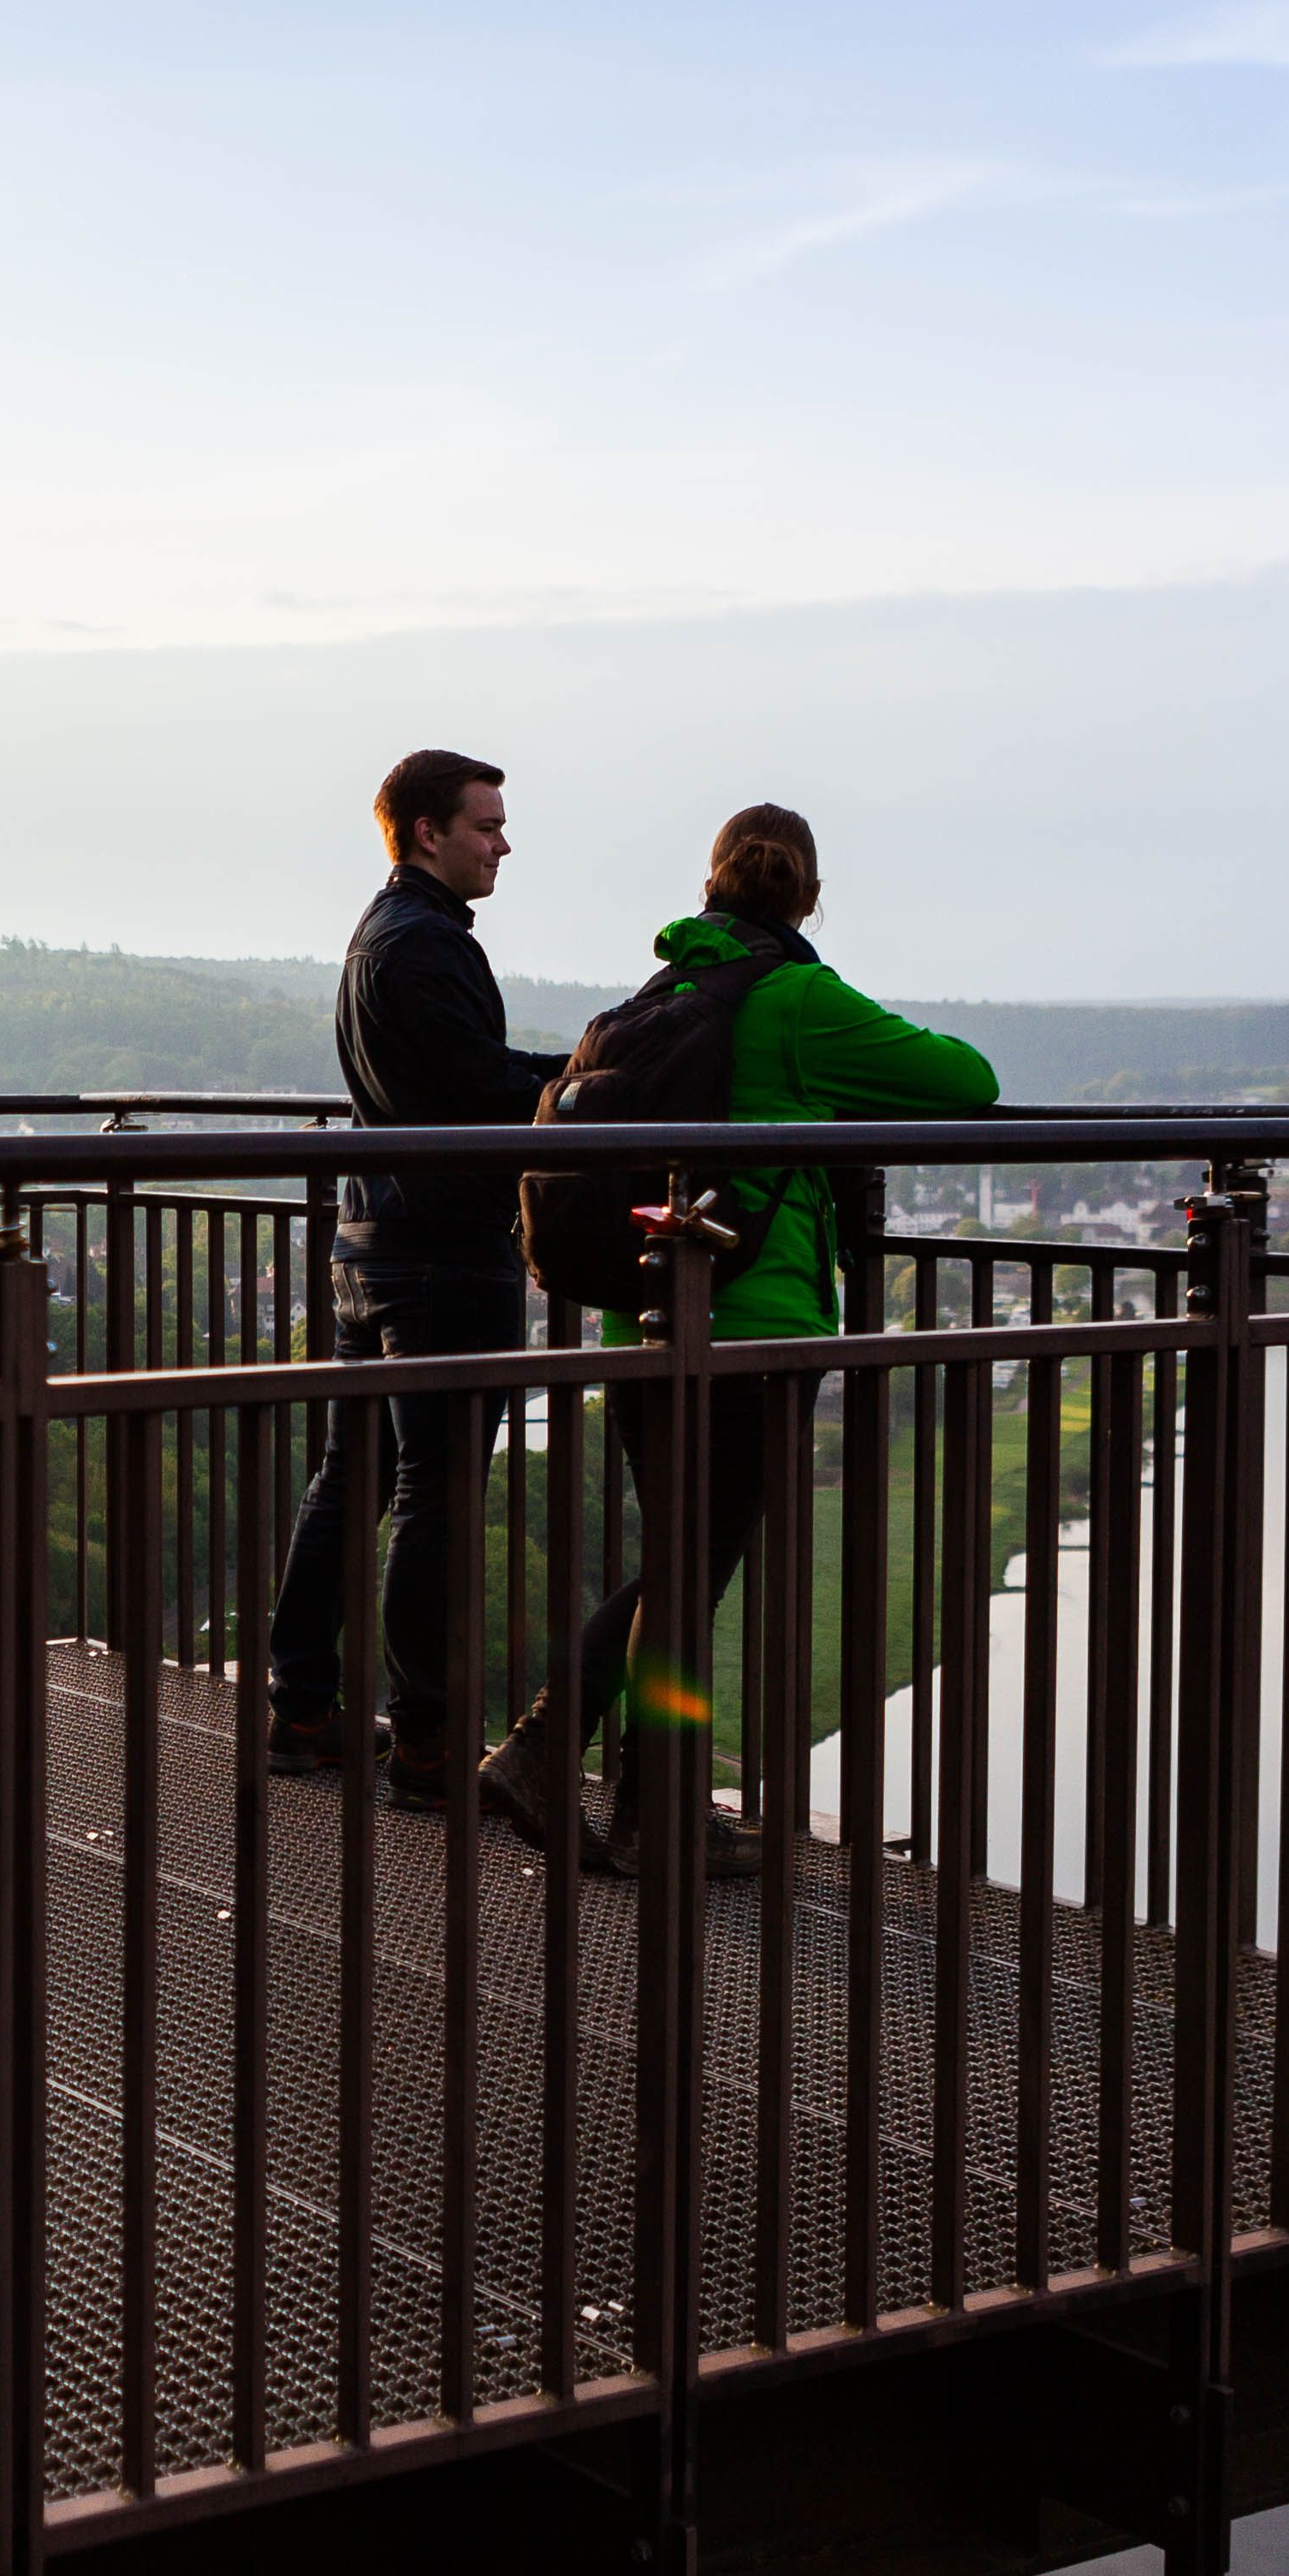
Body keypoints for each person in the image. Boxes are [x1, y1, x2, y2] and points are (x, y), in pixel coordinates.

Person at [478, 800, 997, 1872]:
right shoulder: (796, 997)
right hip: (751, 1321)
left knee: (678, 1557)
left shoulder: (655, 993)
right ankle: (549, 1753)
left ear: (709, 886)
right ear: (806, 894)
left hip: (641, 1311)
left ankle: (646, 1806)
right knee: (690, 1563)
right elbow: (967, 1080)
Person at [264, 748, 566, 1807]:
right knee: (431, 1495)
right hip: (438, 1252)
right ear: (427, 831)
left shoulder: (381, 936)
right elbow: (480, 1093)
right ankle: (427, 1741)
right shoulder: (424, 947)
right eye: (485, 824)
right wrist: (581, 1079)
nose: (503, 841)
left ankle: (300, 1706)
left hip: (374, 1240)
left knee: (353, 1480)